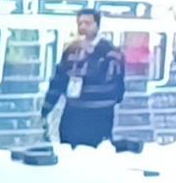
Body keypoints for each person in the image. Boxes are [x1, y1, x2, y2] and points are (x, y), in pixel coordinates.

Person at [41, 9, 125, 148]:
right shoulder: (71, 51)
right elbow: (58, 81)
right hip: (72, 115)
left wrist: (90, 59)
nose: (83, 27)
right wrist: (46, 109)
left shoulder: (111, 52)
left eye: (87, 23)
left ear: (97, 25)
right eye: (80, 23)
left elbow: (116, 89)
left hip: (98, 116)